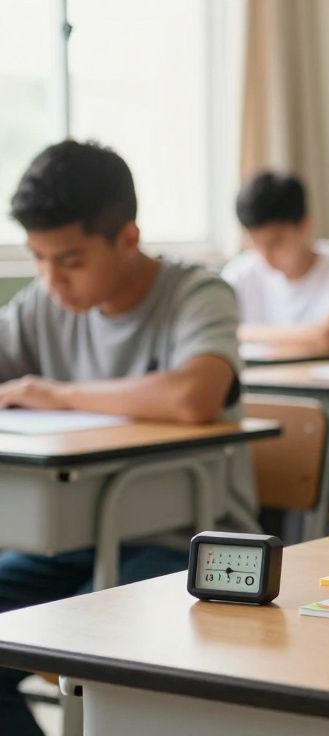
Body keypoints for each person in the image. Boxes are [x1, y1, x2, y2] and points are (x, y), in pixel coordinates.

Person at [0, 140, 259, 736]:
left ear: (127, 238)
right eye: (38, 258)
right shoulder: (41, 305)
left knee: (86, 637)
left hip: (192, 541)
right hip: (72, 536)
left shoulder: (198, 293)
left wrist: (59, 394)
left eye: (69, 260)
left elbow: (193, 395)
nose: (51, 280)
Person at [223, 171, 329, 357]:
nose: (265, 255)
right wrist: (308, 337)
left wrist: (240, 332)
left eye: (275, 243)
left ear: (304, 226)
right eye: (255, 243)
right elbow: (211, 333)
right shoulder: (239, 273)